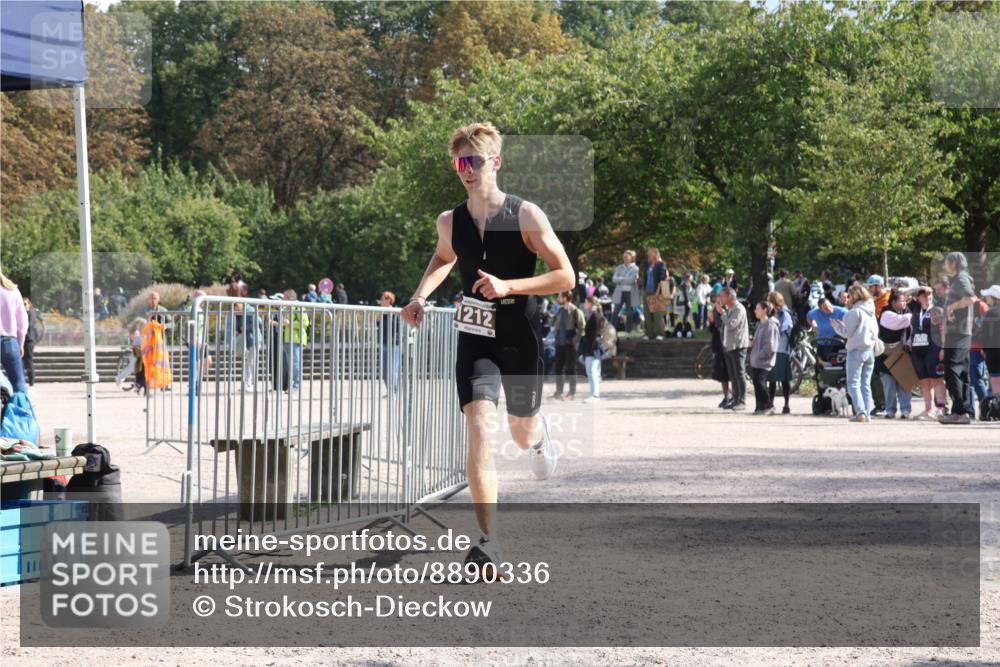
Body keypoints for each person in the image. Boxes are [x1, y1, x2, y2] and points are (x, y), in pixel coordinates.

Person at [400, 121, 573, 574]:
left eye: (474, 161)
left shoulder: (525, 215)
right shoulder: (449, 221)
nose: (466, 170)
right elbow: (443, 257)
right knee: (479, 427)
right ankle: (488, 541)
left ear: (495, 161)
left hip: (520, 336)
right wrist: (420, 296)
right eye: (459, 162)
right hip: (475, 336)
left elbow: (565, 277)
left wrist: (508, 285)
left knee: (520, 433)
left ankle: (538, 436)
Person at [938, 252, 976, 424]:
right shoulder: (960, 279)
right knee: (962, 371)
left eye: (946, 262)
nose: (945, 266)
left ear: (953, 263)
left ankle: (959, 410)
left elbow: (971, 298)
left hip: (959, 332)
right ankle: (964, 411)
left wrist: (952, 306)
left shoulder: (961, 279)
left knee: (951, 368)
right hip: (960, 332)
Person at [831, 284, 878, 422]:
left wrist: (837, 326)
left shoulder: (854, 312)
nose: (848, 298)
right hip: (870, 350)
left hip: (856, 349)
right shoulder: (870, 310)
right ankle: (867, 413)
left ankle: (860, 412)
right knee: (865, 384)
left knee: (853, 383)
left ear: (855, 295)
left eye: (849, 295)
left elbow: (847, 333)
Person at [908, 286, 948, 420]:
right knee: (924, 381)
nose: (927, 297)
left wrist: (943, 347)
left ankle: (941, 409)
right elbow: (904, 294)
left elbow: (943, 330)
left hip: (933, 348)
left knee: (937, 379)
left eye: (930, 294)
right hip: (918, 349)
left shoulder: (937, 310)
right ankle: (928, 409)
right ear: (918, 298)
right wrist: (919, 288)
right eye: (924, 295)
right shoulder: (915, 309)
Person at [876, 288, 913, 419]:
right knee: (889, 384)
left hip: (902, 352)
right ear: (893, 302)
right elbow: (901, 321)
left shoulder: (906, 311)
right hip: (887, 353)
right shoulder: (886, 313)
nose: (904, 303)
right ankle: (890, 410)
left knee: (904, 383)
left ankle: (905, 410)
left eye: (905, 301)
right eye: (901, 301)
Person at [550, 291, 585, 401]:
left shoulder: (575, 311)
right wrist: (556, 334)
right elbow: (556, 325)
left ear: (566, 298)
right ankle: (559, 392)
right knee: (558, 368)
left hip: (570, 345)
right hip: (559, 344)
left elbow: (582, 328)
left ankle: (572, 392)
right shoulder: (560, 310)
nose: (558, 298)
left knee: (571, 369)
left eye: (560, 296)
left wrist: (573, 341)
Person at [720, 287, 749, 411]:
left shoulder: (738, 308)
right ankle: (735, 399)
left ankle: (742, 400)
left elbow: (732, 324)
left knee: (739, 373)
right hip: (729, 346)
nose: (720, 298)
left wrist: (722, 314)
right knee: (733, 374)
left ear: (730, 297)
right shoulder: (730, 308)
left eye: (722, 296)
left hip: (738, 346)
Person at [0, 273, 29, 393]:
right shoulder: (12, 290)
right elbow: (22, 322)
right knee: (19, 384)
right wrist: (21, 343)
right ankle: (20, 410)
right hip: (9, 342)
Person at [749, 301, 779, 415]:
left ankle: (769, 405)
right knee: (757, 383)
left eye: (757, 308)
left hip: (764, 361)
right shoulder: (760, 324)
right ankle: (759, 407)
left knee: (760, 383)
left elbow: (770, 346)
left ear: (765, 310)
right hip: (756, 361)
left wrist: (758, 355)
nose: (755, 311)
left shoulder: (771, 325)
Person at [766, 292, 794, 414]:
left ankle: (786, 404)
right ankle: (771, 403)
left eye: (769, 300)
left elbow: (785, 329)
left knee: (784, 379)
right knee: (772, 379)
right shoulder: (773, 313)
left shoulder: (785, 314)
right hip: (774, 349)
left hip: (782, 349)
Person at [281, 289, 309, 390]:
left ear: (289, 297)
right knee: (290, 363)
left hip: (296, 339)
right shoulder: (287, 307)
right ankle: (293, 385)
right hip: (288, 339)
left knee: (295, 363)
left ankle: (297, 385)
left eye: (284, 297)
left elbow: (305, 323)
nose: (283, 299)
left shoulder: (299, 306)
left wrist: (289, 323)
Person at [974, 285, 1000, 395]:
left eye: (988, 296)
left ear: (993, 297)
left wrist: (970, 336)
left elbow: (984, 335)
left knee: (996, 386)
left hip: (994, 354)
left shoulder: (992, 312)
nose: (986, 298)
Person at [580, 295, 605, 402]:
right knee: (591, 371)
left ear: (590, 303)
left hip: (593, 347)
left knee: (592, 371)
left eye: (586, 302)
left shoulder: (595, 316)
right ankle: (593, 394)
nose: (584, 304)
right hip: (592, 346)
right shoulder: (593, 315)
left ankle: (595, 395)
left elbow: (594, 335)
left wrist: (589, 350)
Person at [707, 297, 730, 407]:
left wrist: (722, 314)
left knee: (731, 372)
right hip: (718, 345)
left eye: (719, 303)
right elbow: (712, 331)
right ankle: (726, 396)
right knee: (722, 374)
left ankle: (735, 396)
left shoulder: (728, 312)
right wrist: (711, 320)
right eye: (716, 303)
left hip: (728, 345)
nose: (717, 305)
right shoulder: (715, 313)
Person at [612, 250, 641, 335]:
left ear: (631, 258)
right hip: (620, 292)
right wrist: (624, 279)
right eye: (623, 257)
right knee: (615, 312)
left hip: (630, 293)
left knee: (630, 313)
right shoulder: (619, 267)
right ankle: (612, 331)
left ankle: (628, 332)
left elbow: (631, 280)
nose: (624, 258)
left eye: (626, 257)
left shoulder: (635, 268)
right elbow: (614, 279)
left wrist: (620, 279)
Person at [378, 291, 401, 396]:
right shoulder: (381, 312)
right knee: (385, 371)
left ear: (388, 300)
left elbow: (398, 328)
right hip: (384, 343)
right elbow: (377, 323)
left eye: (382, 299)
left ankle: (394, 392)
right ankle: (390, 391)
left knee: (393, 370)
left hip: (394, 344)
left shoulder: (395, 312)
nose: (381, 301)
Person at [643, 248, 668, 339]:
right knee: (647, 314)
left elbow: (663, 278)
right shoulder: (648, 264)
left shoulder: (661, 264)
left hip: (657, 291)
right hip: (647, 290)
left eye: (650, 252)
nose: (648, 254)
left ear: (655, 254)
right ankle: (648, 334)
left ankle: (660, 334)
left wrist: (658, 291)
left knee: (657, 314)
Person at [22, 297, 40, 387]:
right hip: (21, 340)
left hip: (29, 340)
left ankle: (31, 383)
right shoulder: (21, 314)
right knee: (20, 361)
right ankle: (21, 382)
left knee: (28, 361)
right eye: (22, 304)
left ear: (29, 305)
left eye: (25, 304)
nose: (23, 306)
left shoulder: (30, 313)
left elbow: (29, 325)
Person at [674, 273, 696, 338]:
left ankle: (685, 330)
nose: (692, 279)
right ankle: (684, 330)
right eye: (691, 278)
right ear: (687, 278)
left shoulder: (688, 284)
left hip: (683, 303)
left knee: (686, 317)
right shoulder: (684, 285)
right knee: (685, 317)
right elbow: (686, 294)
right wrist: (688, 302)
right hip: (684, 303)